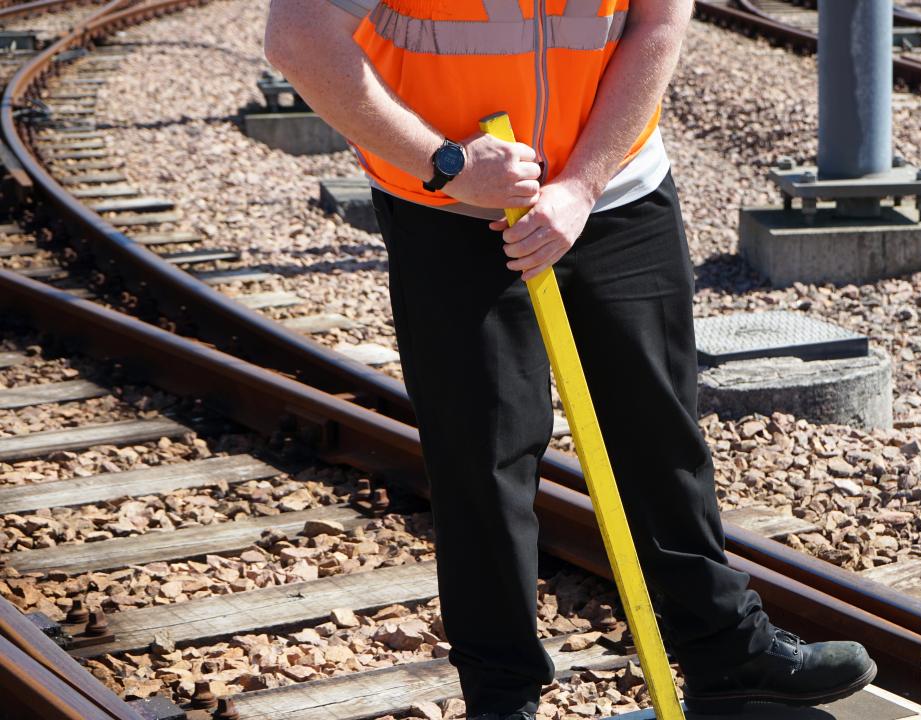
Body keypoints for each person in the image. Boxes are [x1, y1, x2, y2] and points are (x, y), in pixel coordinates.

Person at [262, 1, 876, 717]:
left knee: (660, 431)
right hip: (454, 208)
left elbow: (658, 21)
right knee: (485, 459)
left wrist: (582, 184)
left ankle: (728, 655)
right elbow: (299, 38)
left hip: (617, 189)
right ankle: (502, 698)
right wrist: (446, 164)